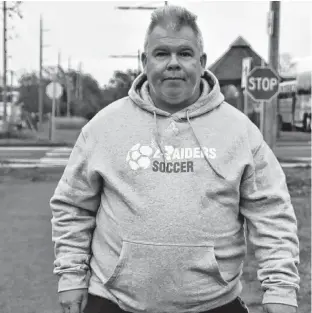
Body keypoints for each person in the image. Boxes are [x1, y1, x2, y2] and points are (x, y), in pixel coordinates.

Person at [50, 5, 300, 313]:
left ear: (201, 61)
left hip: (213, 304)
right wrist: (71, 276)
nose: (173, 64)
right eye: (161, 54)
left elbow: (272, 212)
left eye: (184, 53)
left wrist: (281, 291)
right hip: (114, 302)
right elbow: (73, 205)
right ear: (144, 61)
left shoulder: (239, 132)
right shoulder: (104, 128)